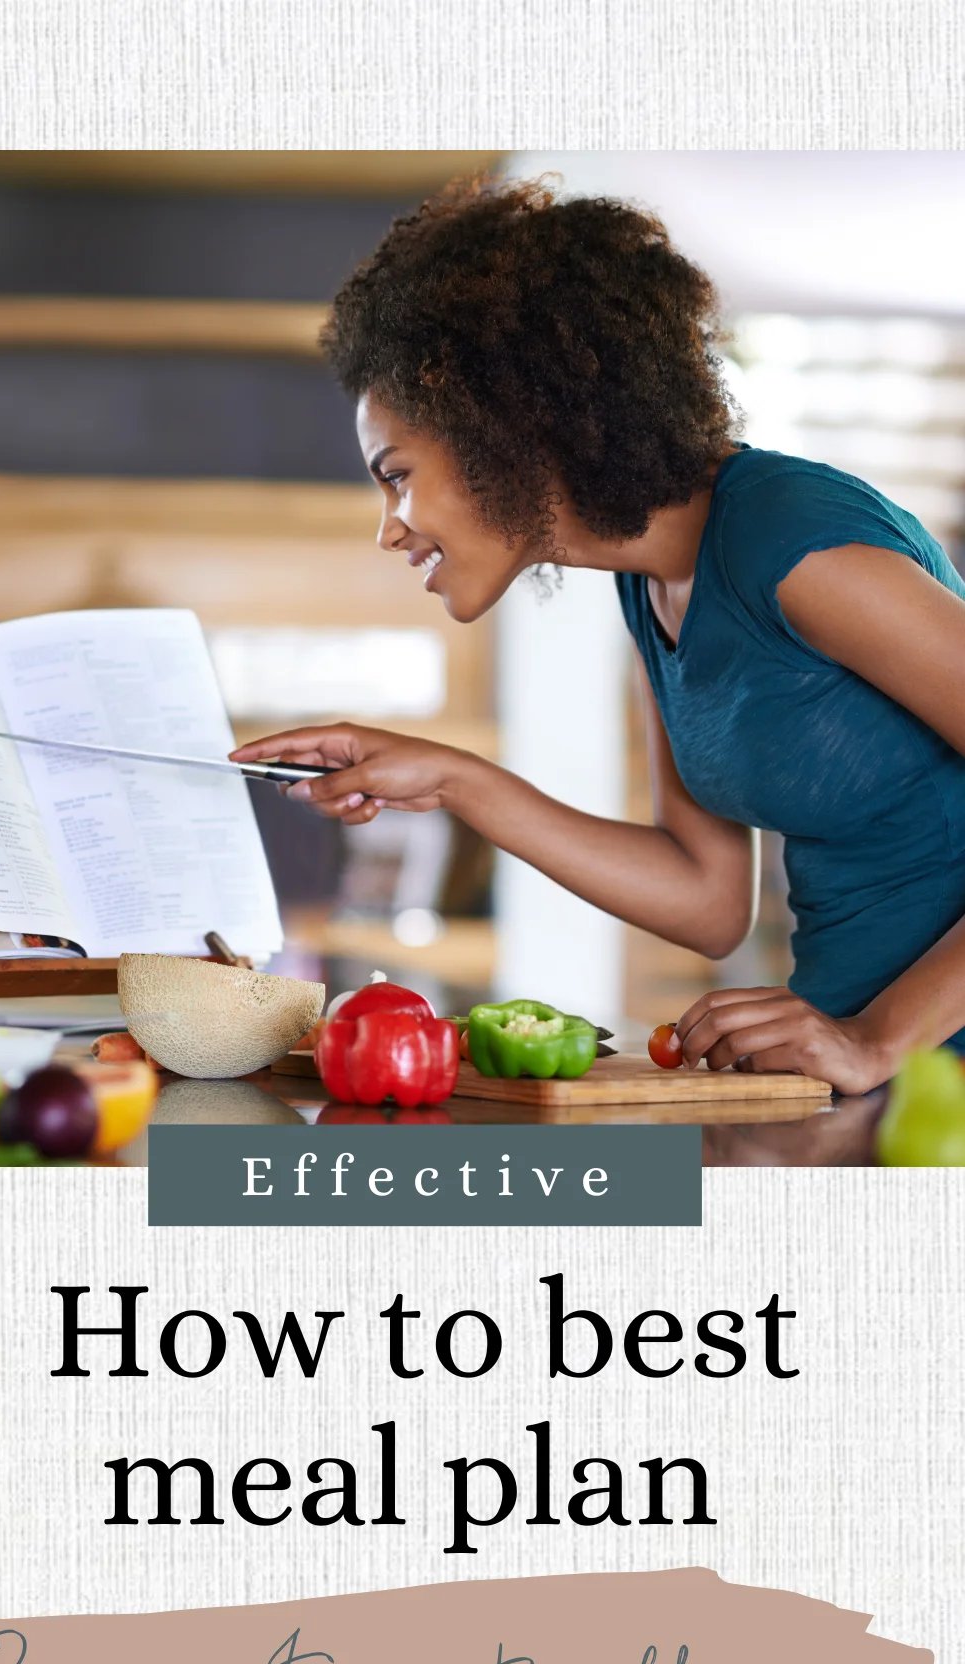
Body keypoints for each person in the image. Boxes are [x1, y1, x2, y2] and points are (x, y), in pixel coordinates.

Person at [232, 177, 965, 1095]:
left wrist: (879, 1038)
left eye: (398, 475)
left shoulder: (795, 543)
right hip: (860, 1077)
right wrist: (454, 778)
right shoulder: (652, 583)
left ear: (505, 427)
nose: (390, 528)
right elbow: (705, 901)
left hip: (912, 1064)